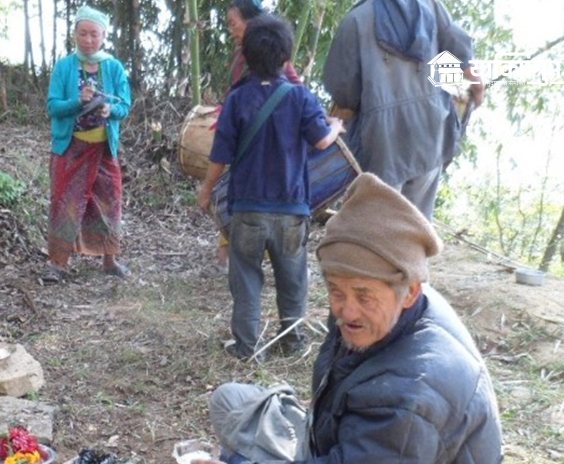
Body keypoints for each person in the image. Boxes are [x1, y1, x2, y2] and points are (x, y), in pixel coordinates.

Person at [171, 173, 503, 464]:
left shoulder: (414, 390)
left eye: (363, 296)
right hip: (361, 461)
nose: (346, 311)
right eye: (335, 291)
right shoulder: (387, 295)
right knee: (230, 399)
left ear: (410, 292)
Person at [197, 15, 342, 361]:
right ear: (285, 57)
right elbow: (322, 140)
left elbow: (220, 154)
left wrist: (206, 191)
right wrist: (335, 125)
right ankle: (292, 341)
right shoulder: (300, 98)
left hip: (247, 208)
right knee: (292, 278)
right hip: (291, 210)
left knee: (246, 277)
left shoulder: (237, 99)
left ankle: (248, 347)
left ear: (245, 55)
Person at [323, 0, 484, 220]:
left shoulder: (355, 21)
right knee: (415, 227)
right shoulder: (431, 5)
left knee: (374, 228)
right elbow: (460, 52)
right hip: (432, 133)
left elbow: (344, 93)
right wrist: (471, 85)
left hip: (382, 143)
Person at [43, 5, 132, 283]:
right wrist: (77, 102)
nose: (88, 40)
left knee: (110, 201)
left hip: (104, 150)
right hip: (71, 148)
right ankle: (58, 263)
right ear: (75, 34)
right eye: (83, 33)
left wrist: (110, 111)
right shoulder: (65, 66)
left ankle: (110, 260)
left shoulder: (114, 67)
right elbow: (52, 107)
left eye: (94, 34)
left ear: (104, 35)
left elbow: (125, 105)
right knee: (65, 201)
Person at [214, 0, 303, 274]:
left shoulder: (267, 55)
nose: (231, 30)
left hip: (260, 144)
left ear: (251, 20)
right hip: (249, 141)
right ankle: (232, 257)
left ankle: (241, 260)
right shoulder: (242, 53)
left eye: (233, 23)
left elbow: (293, 85)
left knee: (240, 197)